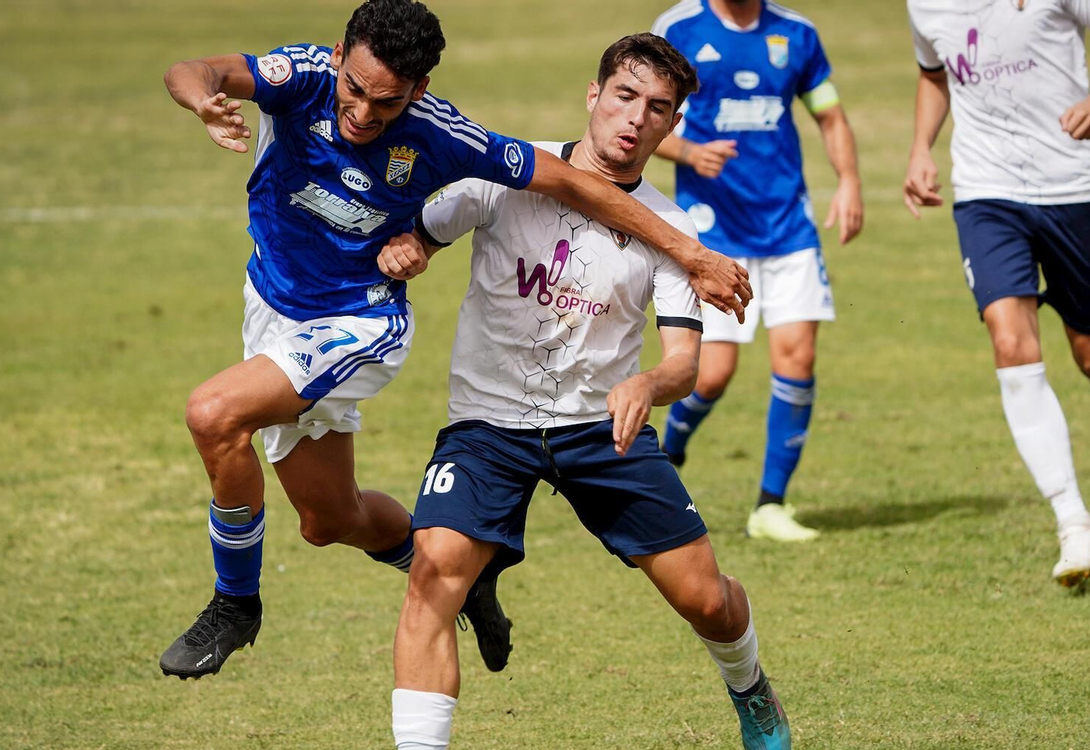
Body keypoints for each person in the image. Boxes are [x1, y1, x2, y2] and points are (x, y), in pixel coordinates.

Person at [156, 0, 751, 680]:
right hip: (271, 309)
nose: (360, 112)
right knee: (327, 519)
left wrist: (690, 254)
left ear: (418, 92)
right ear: (339, 54)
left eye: (385, 102)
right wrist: (203, 99)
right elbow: (193, 68)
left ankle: (236, 602)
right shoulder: (301, 75)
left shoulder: (447, 136)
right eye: (354, 86)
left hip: (360, 320)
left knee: (213, 412)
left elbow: (574, 183)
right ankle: (464, 579)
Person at [351, 33, 790, 750]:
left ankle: (749, 682)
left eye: (656, 110)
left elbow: (685, 362)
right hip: (489, 425)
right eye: (624, 97)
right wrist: (412, 243)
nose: (634, 119)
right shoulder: (505, 176)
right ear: (593, 96)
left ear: (672, 126)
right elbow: (424, 224)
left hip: (602, 431)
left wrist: (648, 382)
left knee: (707, 599)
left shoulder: (668, 226)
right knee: (433, 571)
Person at [902, 0, 1090, 585]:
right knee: (1011, 342)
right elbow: (932, 74)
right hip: (985, 193)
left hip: (1075, 190)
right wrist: (921, 147)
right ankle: (1074, 523)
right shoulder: (924, 4)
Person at [651, 0, 864, 542]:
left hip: (789, 228)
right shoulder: (679, 29)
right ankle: (669, 450)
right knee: (712, 373)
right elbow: (645, 121)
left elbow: (830, 115)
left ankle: (771, 504)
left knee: (798, 356)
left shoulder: (797, 34)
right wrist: (690, 153)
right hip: (716, 236)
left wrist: (849, 181)